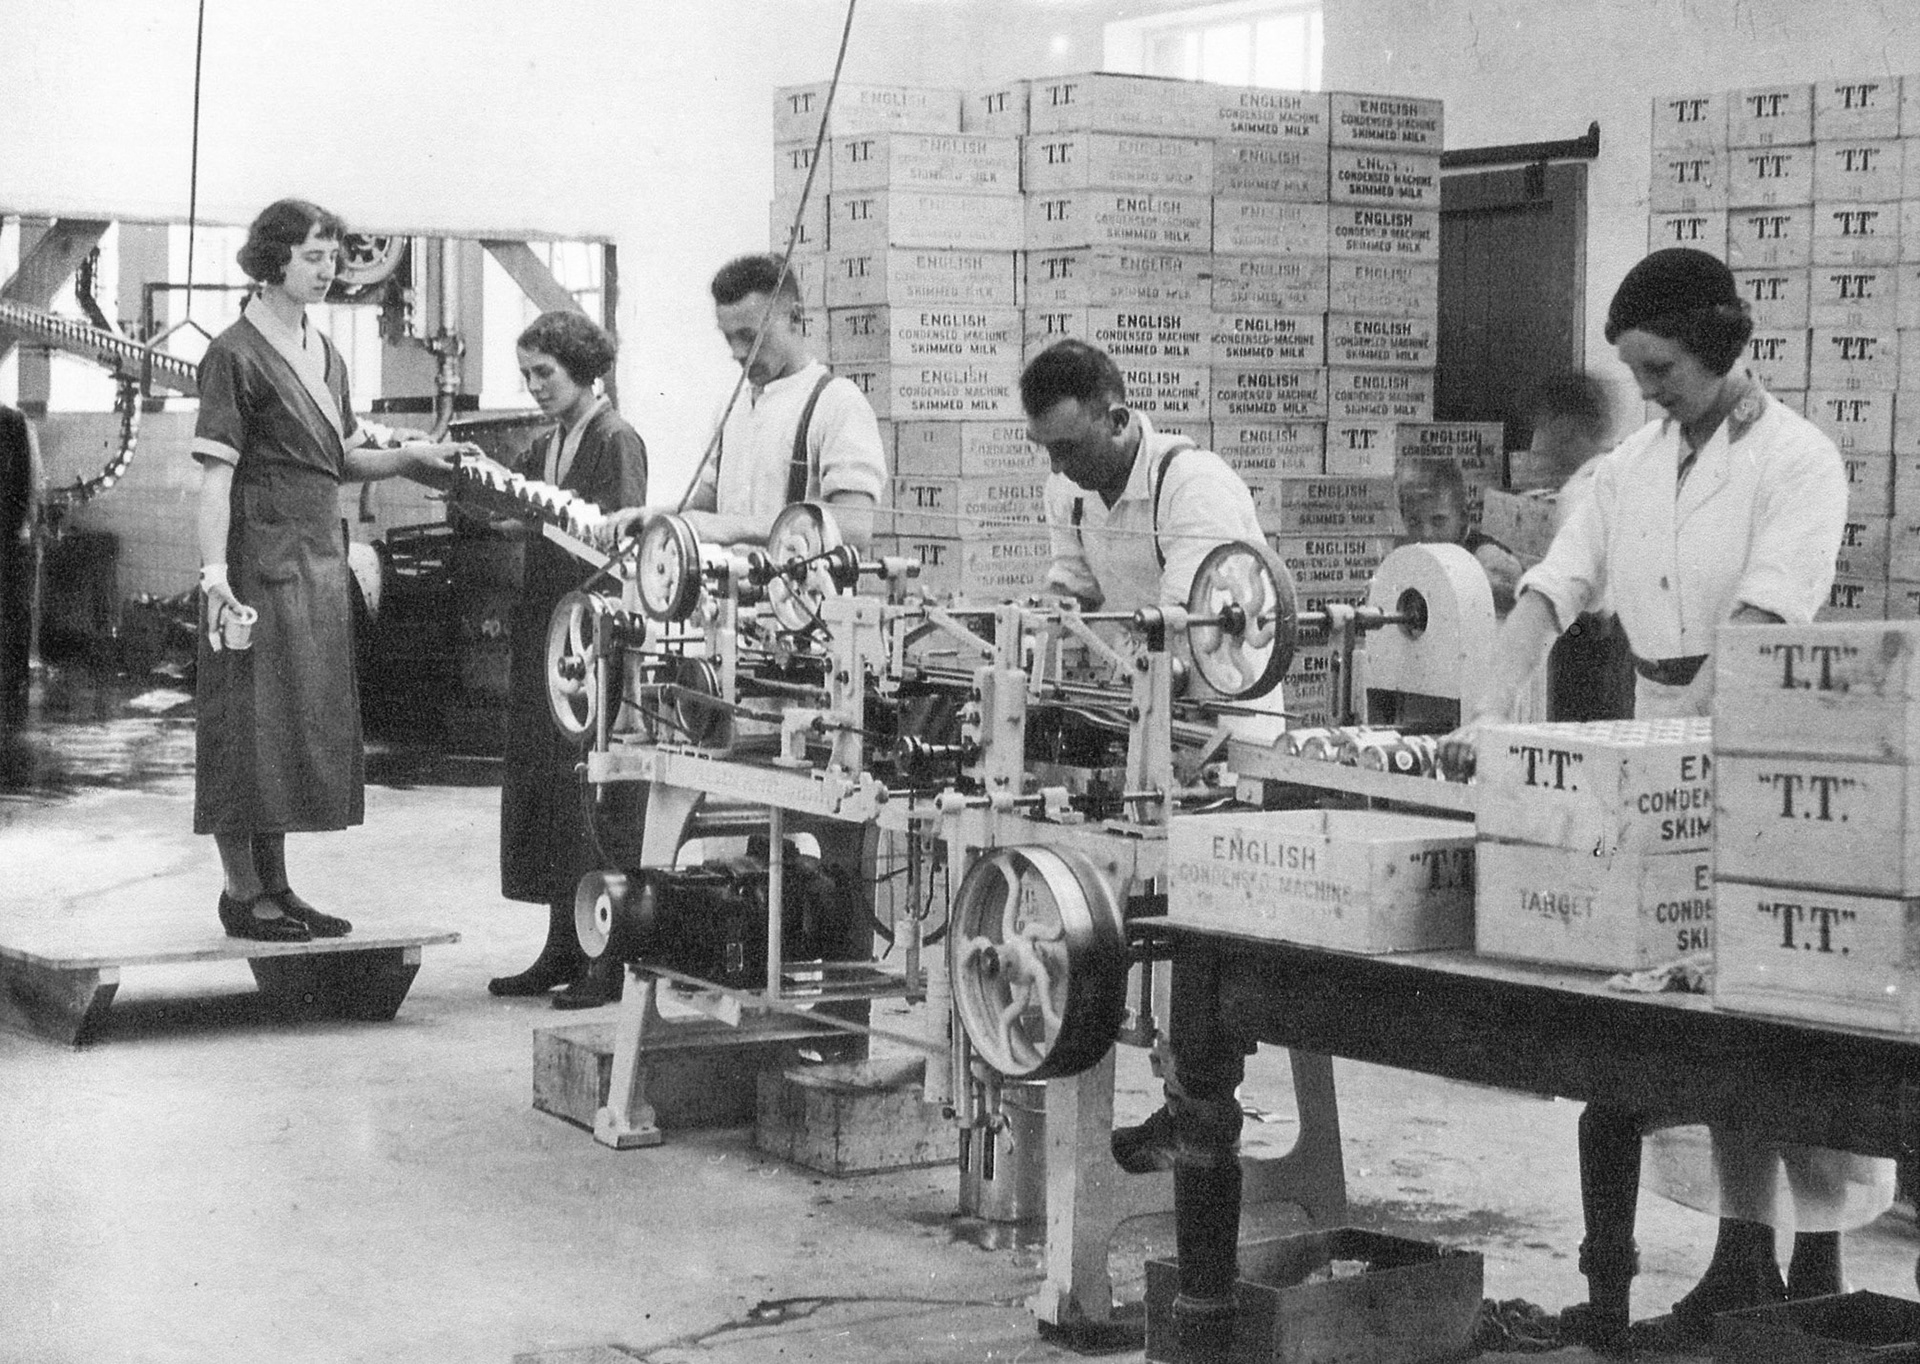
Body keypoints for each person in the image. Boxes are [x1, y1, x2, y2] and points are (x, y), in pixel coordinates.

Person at [1436, 248, 1879, 1351]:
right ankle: (1739, 1256)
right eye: (1634, 371)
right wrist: (1485, 712)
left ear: (1723, 347)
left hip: (1772, 742)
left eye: (1664, 366)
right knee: (1679, 1022)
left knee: (1779, 1010)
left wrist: (1680, 750)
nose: (1649, 389)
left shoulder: (1799, 461)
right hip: (1659, 725)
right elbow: (1550, 590)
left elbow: (1763, 627)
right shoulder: (1628, 466)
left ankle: (1812, 1275)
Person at [192, 199, 472, 941]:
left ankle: (276, 886)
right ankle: (239, 890)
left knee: (286, 728)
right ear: (274, 258)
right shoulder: (233, 354)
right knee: (242, 726)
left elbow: (342, 456)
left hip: (314, 559)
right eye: (314, 257)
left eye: (331, 257)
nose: (328, 270)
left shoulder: (326, 353)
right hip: (253, 564)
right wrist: (213, 576)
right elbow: (215, 477)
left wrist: (414, 457)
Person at [486, 311, 648, 1009]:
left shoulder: (616, 440)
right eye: (526, 375)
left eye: (544, 373)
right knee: (549, 790)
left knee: (590, 795)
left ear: (585, 367)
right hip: (546, 628)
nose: (533, 387)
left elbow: (619, 545)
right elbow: (518, 511)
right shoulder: (550, 441)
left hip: (590, 635)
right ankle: (559, 945)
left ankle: (602, 958)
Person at [638, 253, 884, 551]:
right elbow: (704, 510)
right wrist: (651, 519)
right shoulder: (732, 410)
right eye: (728, 338)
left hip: (805, 596)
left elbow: (855, 527)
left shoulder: (837, 403)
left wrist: (733, 527)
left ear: (795, 317)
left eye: (749, 336)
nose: (738, 353)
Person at [1525, 371, 1636, 721]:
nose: (1535, 441)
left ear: (1564, 428)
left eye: (1542, 425)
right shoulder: (1620, 475)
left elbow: (1584, 598)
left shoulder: (1581, 493)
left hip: (1591, 649)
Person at [1394, 455, 1523, 615]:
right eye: (1414, 522)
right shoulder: (1406, 558)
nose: (1426, 534)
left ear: (1463, 516)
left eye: (1438, 520)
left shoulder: (1489, 560)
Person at [1, 402, 40, 741]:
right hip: (12, 534)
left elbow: (25, 480)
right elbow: (27, 481)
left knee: (13, 612)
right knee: (14, 612)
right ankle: (14, 685)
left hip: (11, 535)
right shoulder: (14, 422)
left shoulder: (12, 422)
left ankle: (14, 684)